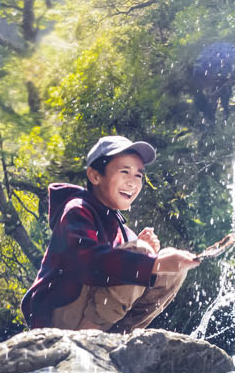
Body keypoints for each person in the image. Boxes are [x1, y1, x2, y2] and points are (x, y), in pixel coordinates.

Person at [21, 136, 201, 332]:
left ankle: (118, 336)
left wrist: (153, 257)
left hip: (93, 314)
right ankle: (86, 338)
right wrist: (149, 260)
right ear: (95, 176)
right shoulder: (77, 210)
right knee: (143, 255)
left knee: (172, 270)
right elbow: (87, 261)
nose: (132, 183)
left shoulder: (120, 226)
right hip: (57, 318)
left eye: (138, 176)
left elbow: (121, 267)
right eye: (125, 172)